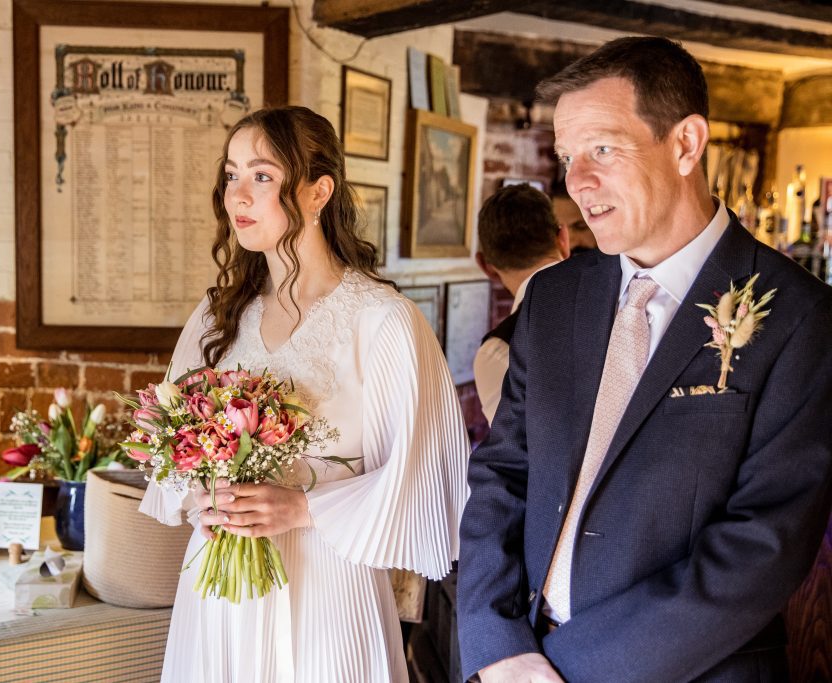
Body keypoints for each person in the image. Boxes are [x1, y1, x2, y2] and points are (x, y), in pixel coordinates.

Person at [458, 36, 832, 683]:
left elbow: (763, 545)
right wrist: (496, 645)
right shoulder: (553, 297)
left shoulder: (801, 317)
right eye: (569, 156)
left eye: (602, 148)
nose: (577, 180)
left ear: (686, 144)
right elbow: (502, 476)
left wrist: (563, 670)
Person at [138, 106, 470, 682]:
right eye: (231, 174)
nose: (237, 195)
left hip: (329, 592)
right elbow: (166, 455)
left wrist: (302, 507)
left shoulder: (383, 321)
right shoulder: (217, 316)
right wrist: (205, 491)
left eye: (262, 176)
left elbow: (424, 477)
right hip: (221, 597)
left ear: (319, 192)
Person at [473, 183, 569, 424]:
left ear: (486, 266)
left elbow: (516, 454)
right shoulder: (623, 294)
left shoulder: (498, 352)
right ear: (563, 240)